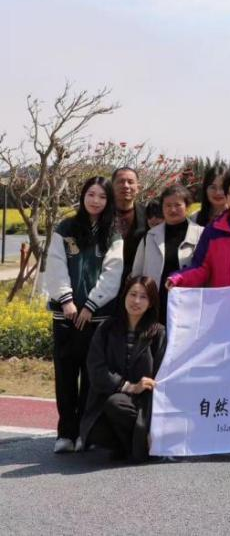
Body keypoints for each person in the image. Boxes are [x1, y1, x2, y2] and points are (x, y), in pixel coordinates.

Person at [43, 176, 124, 453]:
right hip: (66, 315)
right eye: (91, 194)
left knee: (92, 377)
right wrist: (66, 301)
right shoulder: (65, 228)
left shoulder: (112, 232)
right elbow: (55, 265)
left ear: (108, 201)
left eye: (102, 196)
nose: (95, 201)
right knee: (66, 374)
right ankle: (66, 433)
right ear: (83, 196)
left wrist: (91, 305)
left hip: (96, 316)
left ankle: (85, 434)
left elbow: (112, 272)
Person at [81, 276, 167, 462]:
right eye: (132, 294)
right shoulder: (106, 328)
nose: (136, 301)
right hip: (110, 395)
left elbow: (162, 375)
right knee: (95, 428)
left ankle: (135, 446)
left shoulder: (158, 333)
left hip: (143, 403)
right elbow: (96, 369)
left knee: (116, 404)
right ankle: (133, 446)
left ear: (151, 303)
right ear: (124, 296)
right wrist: (129, 386)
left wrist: (143, 388)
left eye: (143, 297)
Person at [130, 185, 203, 325]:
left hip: (188, 304)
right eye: (168, 205)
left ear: (187, 206)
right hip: (155, 303)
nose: (172, 209)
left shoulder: (201, 234)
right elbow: (137, 273)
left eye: (177, 205)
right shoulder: (150, 236)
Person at [112, 167, 147, 283]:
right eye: (121, 181)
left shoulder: (148, 216)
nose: (126, 186)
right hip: (103, 279)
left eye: (130, 182)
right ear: (112, 187)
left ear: (138, 188)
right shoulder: (100, 215)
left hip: (137, 280)